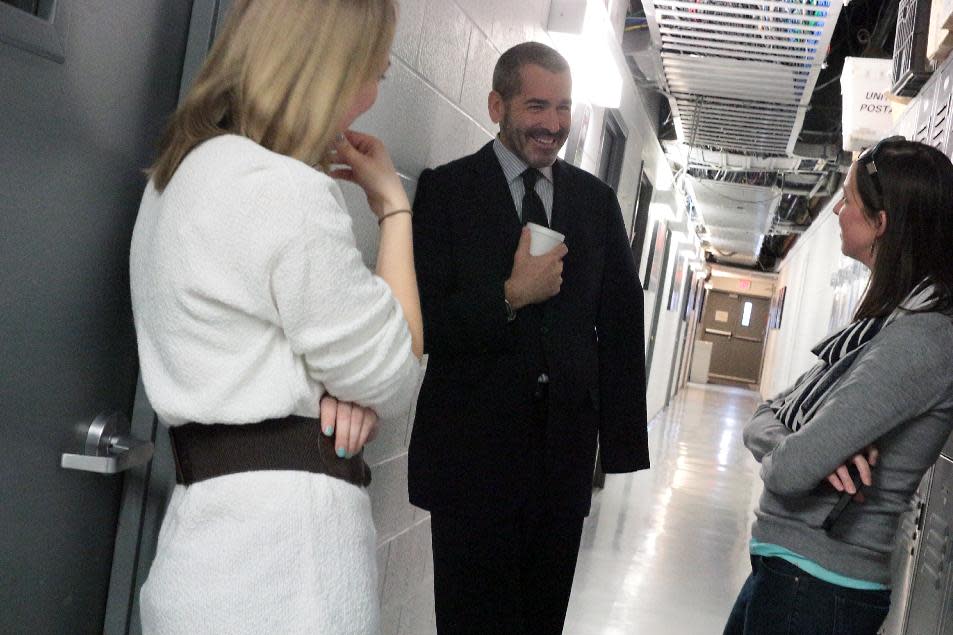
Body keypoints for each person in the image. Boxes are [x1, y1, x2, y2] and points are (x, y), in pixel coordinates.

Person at [129, 1, 422, 633]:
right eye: (376, 69)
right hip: (286, 571)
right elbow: (395, 373)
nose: (376, 85)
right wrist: (393, 209)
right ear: (331, 71)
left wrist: (343, 384)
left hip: (205, 547)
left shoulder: (175, 177)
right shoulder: (285, 192)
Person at [408, 41, 650, 634]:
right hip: (470, 461)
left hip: (561, 468)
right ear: (497, 104)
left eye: (563, 107)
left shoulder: (594, 204)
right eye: (537, 106)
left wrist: (617, 447)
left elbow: (621, 318)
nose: (553, 124)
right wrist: (511, 297)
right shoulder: (447, 193)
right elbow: (424, 323)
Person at [724, 137, 953, 635]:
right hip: (792, 572)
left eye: (848, 201)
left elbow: (788, 471)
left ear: (881, 224)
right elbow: (767, 415)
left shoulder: (922, 339)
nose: (838, 213)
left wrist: (805, 450)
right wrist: (808, 445)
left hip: (818, 589)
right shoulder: (882, 323)